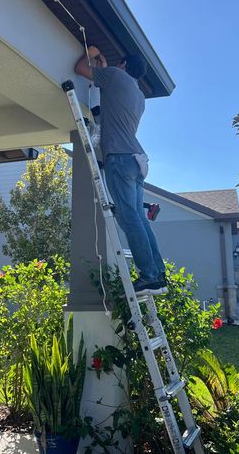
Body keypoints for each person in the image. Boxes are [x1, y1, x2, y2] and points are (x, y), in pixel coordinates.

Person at [74, 46, 166, 295]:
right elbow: (110, 90)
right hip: (136, 160)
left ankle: (148, 275)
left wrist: (91, 53)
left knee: (129, 218)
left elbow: (80, 69)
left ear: (123, 64)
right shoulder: (138, 95)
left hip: (120, 158)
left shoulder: (115, 76)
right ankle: (157, 274)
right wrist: (104, 70)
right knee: (139, 219)